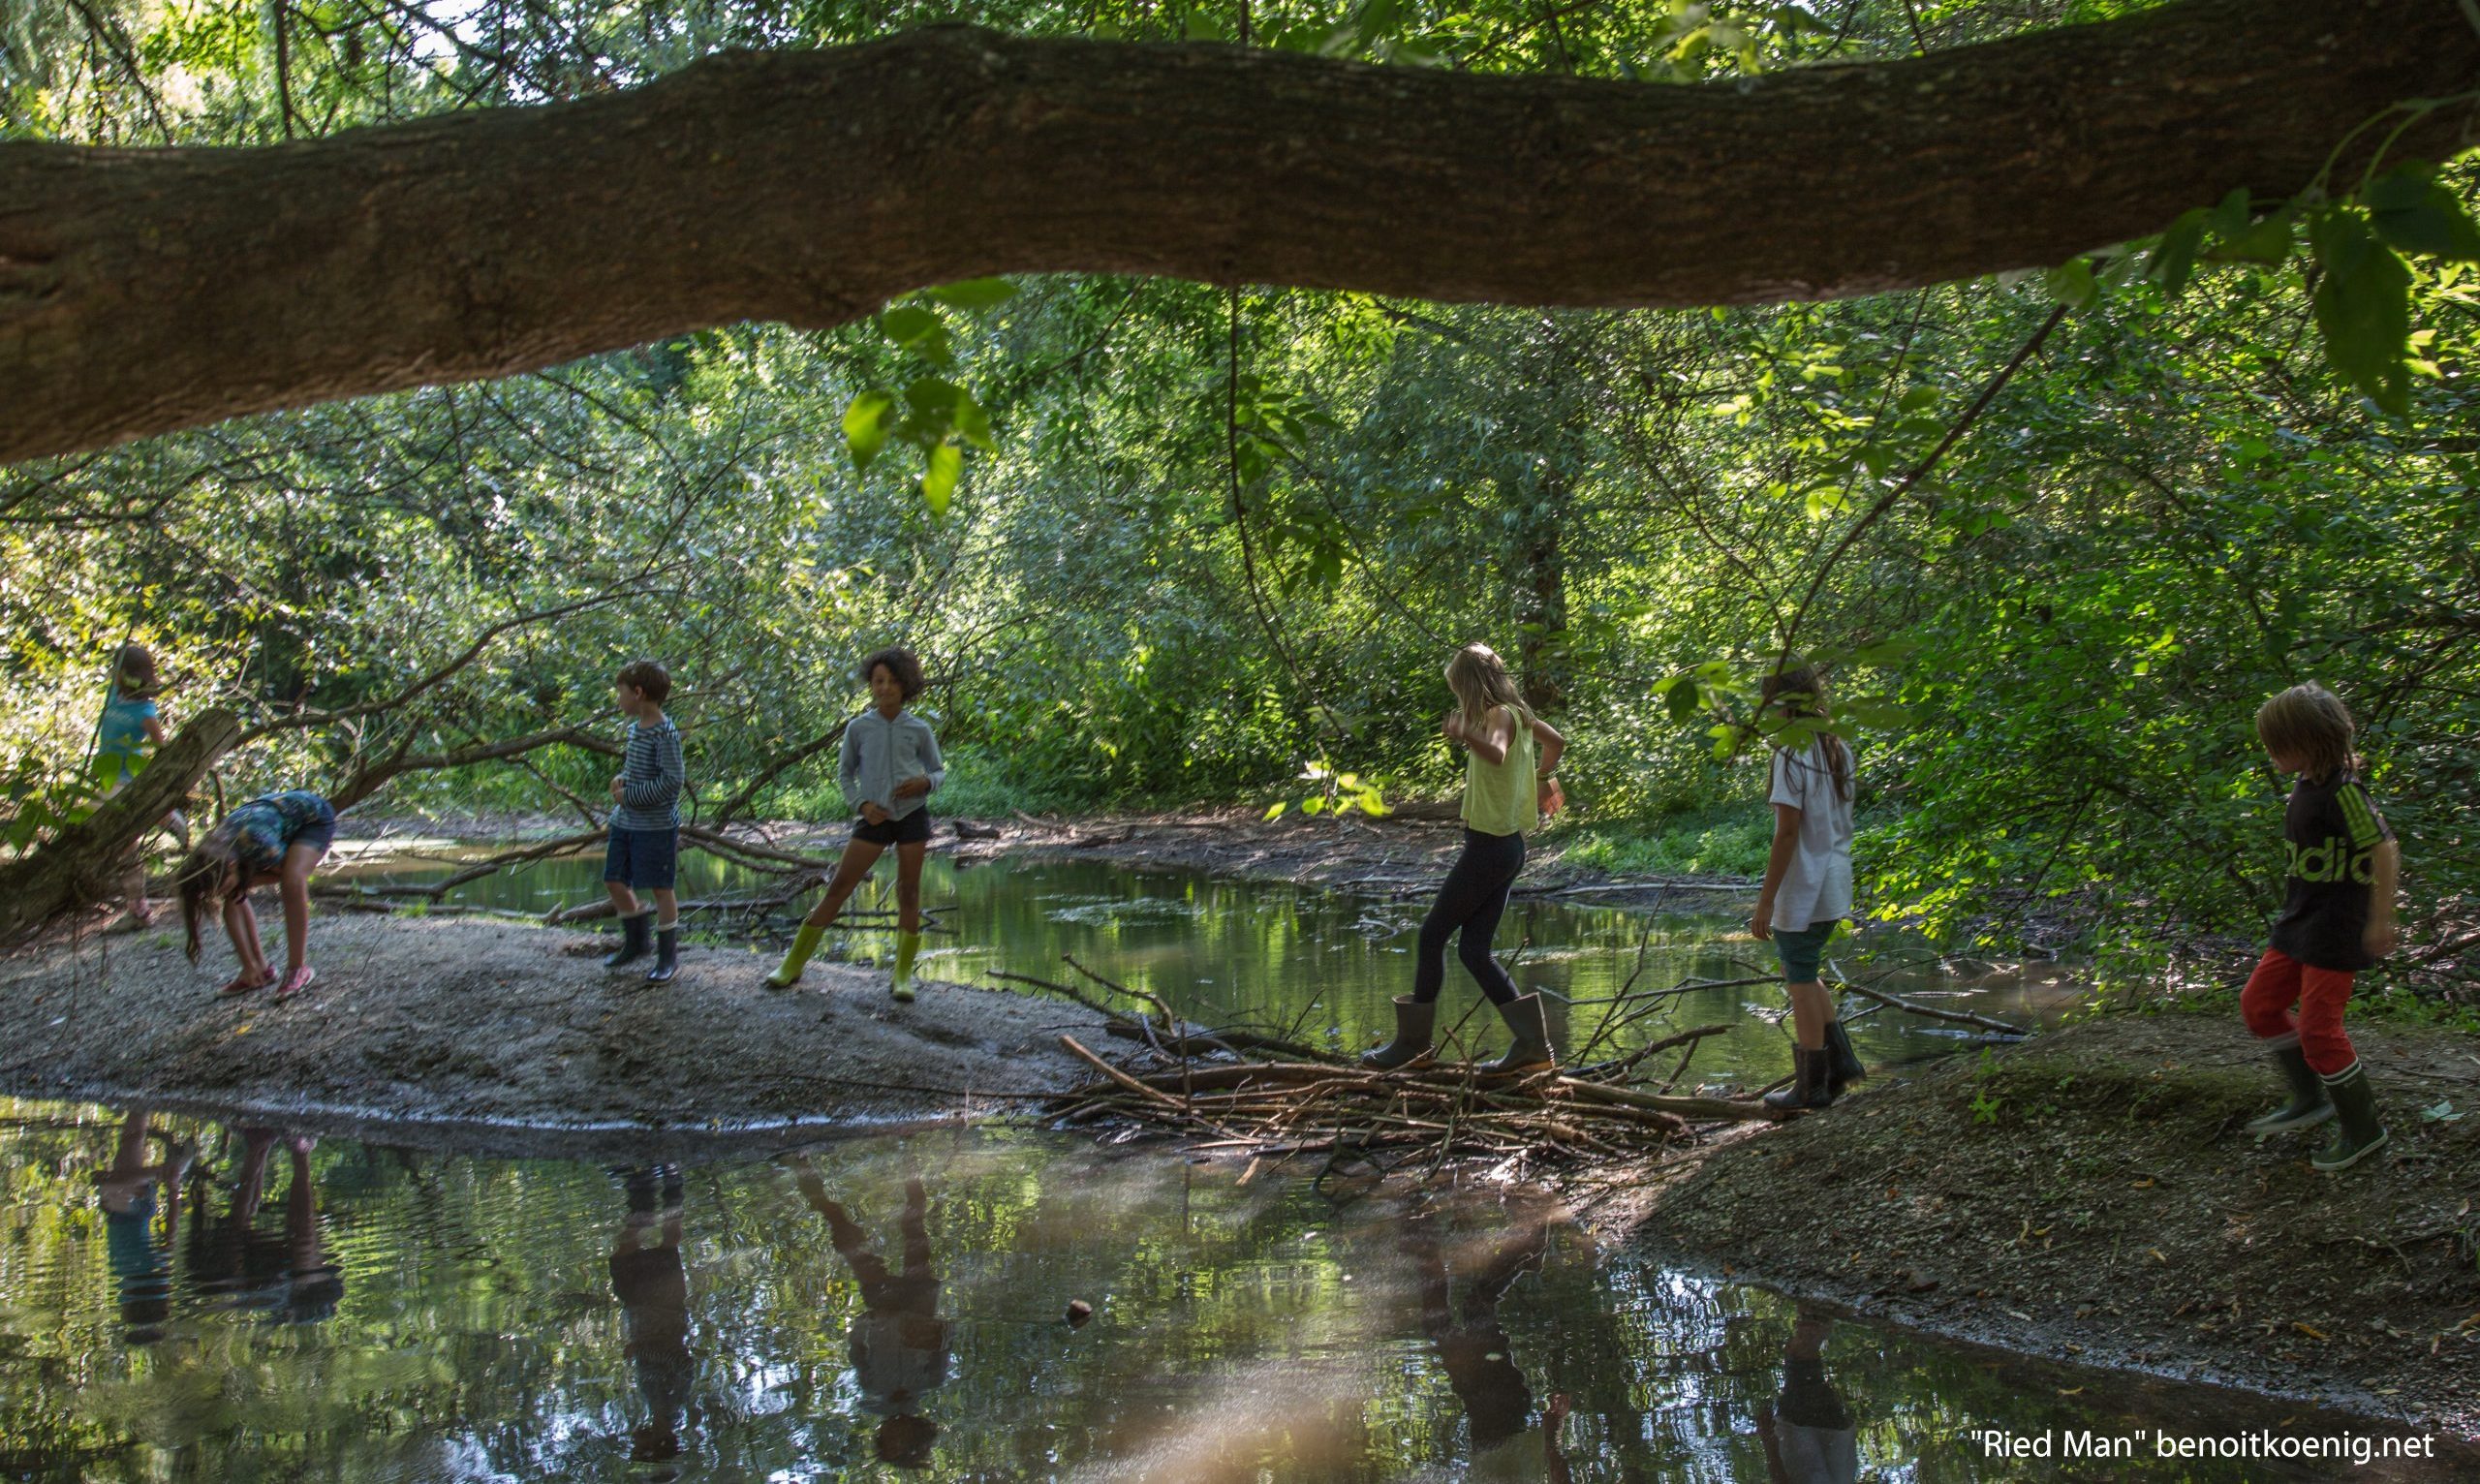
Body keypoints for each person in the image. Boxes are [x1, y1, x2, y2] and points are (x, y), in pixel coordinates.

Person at [1364, 644, 1565, 1074]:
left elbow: (1495, 752)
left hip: (1490, 848)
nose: (1457, 698)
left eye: (1458, 688)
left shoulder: (1497, 716)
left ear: (1471, 685)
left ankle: (1414, 1048)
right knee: (1474, 951)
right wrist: (1545, 777)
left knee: (1432, 934)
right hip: (1508, 848)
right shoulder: (1520, 712)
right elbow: (1557, 741)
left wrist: (1464, 734)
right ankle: (1532, 1046)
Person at [2242, 682, 2399, 1172]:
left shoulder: (2344, 791)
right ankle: (2310, 1098)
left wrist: (2381, 917)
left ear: (2310, 742)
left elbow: (2385, 848)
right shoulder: (2305, 783)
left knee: (2318, 1030)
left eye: (2276, 744)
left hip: (2335, 928)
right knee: (2259, 1005)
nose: (2269, 753)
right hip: (2298, 922)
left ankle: (2364, 1130)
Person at [766, 647, 944, 1002]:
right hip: (873, 818)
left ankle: (902, 976)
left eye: (893, 681)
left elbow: (938, 771)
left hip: (912, 817)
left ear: (906, 685)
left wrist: (925, 783)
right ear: (870, 684)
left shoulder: (919, 728)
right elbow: (845, 774)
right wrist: (861, 805)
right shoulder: (858, 728)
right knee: (839, 887)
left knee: (909, 892)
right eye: (879, 681)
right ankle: (792, 964)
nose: (885, 688)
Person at [1749, 657, 1865, 1113]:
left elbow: (1788, 833)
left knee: (1798, 979)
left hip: (1807, 884)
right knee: (1803, 969)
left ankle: (1811, 1088)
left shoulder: (1790, 752)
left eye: (1768, 699)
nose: (1764, 708)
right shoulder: (1835, 744)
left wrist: (1766, 900)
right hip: (1834, 879)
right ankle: (1842, 1064)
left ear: (1782, 700)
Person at [788, 1155, 948, 1469]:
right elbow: (945, 1333)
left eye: (884, 1441)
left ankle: (805, 1171)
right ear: (911, 1437)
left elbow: (858, 1349)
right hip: (919, 1300)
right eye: (894, 1442)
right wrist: (925, 1331)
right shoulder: (931, 1381)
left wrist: (867, 1321)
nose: (886, 1433)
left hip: (883, 1307)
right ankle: (909, 1162)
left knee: (846, 1238)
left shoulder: (872, 1391)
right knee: (914, 1227)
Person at [175, 789, 335, 1000]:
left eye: (222, 886)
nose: (220, 893)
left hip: (313, 818)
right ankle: (256, 970)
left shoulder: (257, 843)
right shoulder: (213, 852)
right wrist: (236, 885)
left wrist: (244, 881)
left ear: (233, 865)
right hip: (265, 828)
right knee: (234, 894)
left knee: (293, 880)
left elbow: (284, 871)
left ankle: (298, 969)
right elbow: (234, 890)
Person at [603, 659, 687, 983]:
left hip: (655, 826)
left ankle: (668, 958)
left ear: (638, 693)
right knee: (614, 879)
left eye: (620, 692)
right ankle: (637, 943)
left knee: (661, 889)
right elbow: (639, 772)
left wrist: (631, 796)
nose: (618, 699)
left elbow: (671, 781)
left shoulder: (665, 733)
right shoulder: (635, 729)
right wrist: (621, 779)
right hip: (625, 822)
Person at [89, 642, 183, 924]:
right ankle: (138, 907)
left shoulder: (146, 712)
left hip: (125, 781)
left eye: (116, 669)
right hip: (104, 777)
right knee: (119, 844)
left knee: (118, 841)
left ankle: (165, 815)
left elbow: (162, 750)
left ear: (127, 673)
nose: (111, 673)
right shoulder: (114, 694)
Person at [609, 1165, 692, 1467]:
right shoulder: (671, 1407)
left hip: (644, 1312)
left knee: (631, 1252)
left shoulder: (659, 1409)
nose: (633, 1441)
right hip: (661, 1310)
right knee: (656, 1248)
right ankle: (662, 1183)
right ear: (657, 1443)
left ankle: (650, 1186)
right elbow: (685, 1363)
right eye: (638, 1448)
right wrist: (640, 1349)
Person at [1756, 1306, 1860, 1484]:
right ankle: (1813, 1311)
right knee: (1801, 1361)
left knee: (1809, 1375)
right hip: (1803, 1432)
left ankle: (1816, 1315)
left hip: (1837, 1440)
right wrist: (1769, 1442)